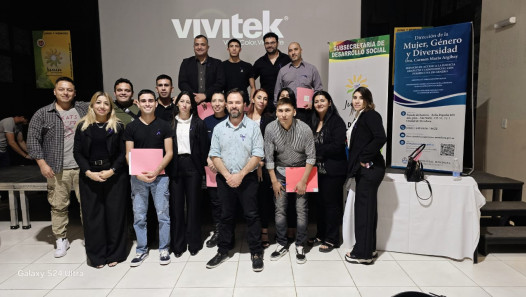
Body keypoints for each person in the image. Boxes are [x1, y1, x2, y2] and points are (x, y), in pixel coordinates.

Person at [27, 77, 89, 258]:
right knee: (58, 205)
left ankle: (90, 235)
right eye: (61, 89)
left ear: (75, 93)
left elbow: (103, 103)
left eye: (69, 90)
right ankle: (61, 239)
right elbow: (32, 140)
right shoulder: (43, 113)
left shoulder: (83, 108)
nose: (65, 93)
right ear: (54, 91)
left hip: (82, 167)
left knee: (87, 204)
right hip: (56, 168)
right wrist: (42, 163)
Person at [206, 89, 265, 272]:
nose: (233, 106)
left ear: (245, 105)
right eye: (230, 102)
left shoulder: (253, 127)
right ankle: (223, 250)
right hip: (225, 179)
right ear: (226, 105)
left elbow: (257, 154)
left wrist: (240, 175)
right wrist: (228, 176)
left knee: (252, 215)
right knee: (225, 216)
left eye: (237, 102)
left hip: (247, 179)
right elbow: (214, 155)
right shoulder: (218, 128)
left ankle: (256, 252)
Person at [73, 91, 128, 268]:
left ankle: (115, 254)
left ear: (110, 107)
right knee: (93, 217)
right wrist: (88, 172)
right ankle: (97, 256)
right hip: (90, 176)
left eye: (106, 103)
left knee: (115, 215)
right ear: (92, 105)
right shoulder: (82, 126)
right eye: (98, 103)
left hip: (114, 175)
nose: (102, 106)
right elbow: (78, 153)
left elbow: (122, 153)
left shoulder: (118, 126)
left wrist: (112, 170)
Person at [124, 89, 173, 267]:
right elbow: (128, 154)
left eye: (150, 100)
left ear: (155, 102)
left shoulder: (165, 125)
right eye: (143, 101)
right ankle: (141, 250)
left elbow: (169, 153)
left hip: (160, 178)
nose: (147, 104)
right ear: (138, 102)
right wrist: (137, 173)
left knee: (163, 215)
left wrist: (156, 170)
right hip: (137, 179)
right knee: (139, 216)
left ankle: (164, 249)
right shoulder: (131, 127)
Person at [264, 96, 315, 264]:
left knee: (301, 209)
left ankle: (300, 244)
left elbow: (311, 157)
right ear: (276, 113)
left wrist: (303, 180)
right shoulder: (270, 128)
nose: (284, 114)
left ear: (294, 111)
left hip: (302, 171)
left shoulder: (305, 129)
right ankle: (281, 243)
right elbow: (269, 157)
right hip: (280, 170)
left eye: (287, 110)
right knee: (280, 209)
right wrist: (273, 180)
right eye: (280, 111)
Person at [344, 86, 386, 265]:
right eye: (354, 97)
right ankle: (369, 248)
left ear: (368, 100)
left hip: (370, 169)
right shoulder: (360, 116)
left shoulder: (371, 115)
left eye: (361, 97)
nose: (357, 101)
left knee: (364, 211)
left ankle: (363, 254)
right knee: (367, 211)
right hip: (365, 169)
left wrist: (363, 157)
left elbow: (380, 137)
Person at [169, 91, 209, 257]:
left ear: (192, 105)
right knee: (176, 207)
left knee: (193, 207)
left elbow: (204, 147)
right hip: (176, 166)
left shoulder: (199, 123)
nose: (184, 104)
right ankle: (178, 245)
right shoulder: (170, 123)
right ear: (177, 103)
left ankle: (194, 243)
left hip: (193, 167)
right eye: (182, 101)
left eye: (188, 102)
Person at [308, 91, 347, 252]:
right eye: (316, 101)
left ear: (329, 102)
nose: (319, 103)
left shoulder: (337, 122)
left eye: (322, 100)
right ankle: (320, 234)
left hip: (333, 171)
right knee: (319, 205)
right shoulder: (313, 120)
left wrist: (316, 149)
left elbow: (338, 146)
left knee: (332, 205)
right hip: (316, 171)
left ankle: (332, 239)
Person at [246, 88, 275, 248]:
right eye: (259, 97)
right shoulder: (244, 118)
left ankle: (264, 232)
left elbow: (270, 145)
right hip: (245, 165)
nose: (262, 101)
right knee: (249, 201)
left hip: (262, 166)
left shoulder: (269, 119)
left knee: (263, 200)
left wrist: (260, 162)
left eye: (265, 98)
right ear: (253, 99)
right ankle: (252, 232)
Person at [203, 92, 228, 248]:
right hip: (211, 167)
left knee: (228, 202)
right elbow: (203, 146)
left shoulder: (232, 120)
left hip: (229, 168)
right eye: (214, 101)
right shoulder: (206, 122)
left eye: (220, 100)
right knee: (215, 202)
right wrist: (208, 159)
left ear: (226, 103)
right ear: (210, 103)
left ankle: (228, 233)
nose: (217, 103)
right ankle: (218, 232)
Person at [178, 35, 225, 105]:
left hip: (212, 103)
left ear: (208, 47)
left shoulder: (217, 63)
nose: (199, 47)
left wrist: (205, 95)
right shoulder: (186, 63)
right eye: (196, 44)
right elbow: (182, 83)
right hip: (191, 103)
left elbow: (221, 83)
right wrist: (194, 96)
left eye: (202, 44)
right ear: (193, 47)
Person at [273, 42, 323, 107]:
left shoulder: (311, 69)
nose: (293, 53)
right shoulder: (283, 71)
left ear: (301, 50)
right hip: (288, 109)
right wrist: (277, 107)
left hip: (306, 110)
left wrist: (313, 103)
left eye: (296, 49)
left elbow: (318, 89)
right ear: (288, 53)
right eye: (290, 51)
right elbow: (277, 92)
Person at [253, 32, 291, 108]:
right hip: (265, 103)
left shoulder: (287, 59)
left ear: (277, 43)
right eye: (267, 43)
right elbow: (250, 78)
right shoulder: (259, 62)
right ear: (264, 45)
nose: (270, 45)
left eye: (272, 43)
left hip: (284, 101)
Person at [223, 38, 255, 104]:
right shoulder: (222, 65)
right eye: (231, 46)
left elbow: (253, 87)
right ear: (228, 49)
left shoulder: (247, 66)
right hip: (227, 102)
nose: (234, 49)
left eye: (236, 46)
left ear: (240, 49)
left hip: (244, 102)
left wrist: (251, 102)